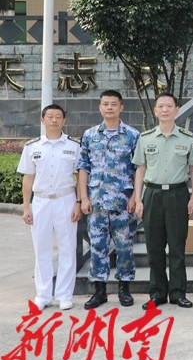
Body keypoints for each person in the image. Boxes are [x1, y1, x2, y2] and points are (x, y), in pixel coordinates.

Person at [133, 93, 193, 309]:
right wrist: (138, 198)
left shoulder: (188, 138)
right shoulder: (145, 138)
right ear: (155, 110)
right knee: (154, 247)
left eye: (169, 106)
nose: (165, 110)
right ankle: (157, 293)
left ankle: (178, 293)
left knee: (177, 246)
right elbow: (140, 169)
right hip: (152, 194)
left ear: (177, 109)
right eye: (160, 106)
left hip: (178, 195)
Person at [77, 90, 140, 310]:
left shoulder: (132, 135)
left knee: (125, 246)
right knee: (97, 246)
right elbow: (83, 168)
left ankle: (124, 289)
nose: (110, 107)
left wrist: (135, 196)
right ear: (100, 107)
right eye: (106, 104)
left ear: (121, 107)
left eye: (114, 104)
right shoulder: (90, 135)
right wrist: (83, 197)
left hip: (123, 202)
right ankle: (100, 291)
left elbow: (139, 169)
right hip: (96, 202)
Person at [17, 105, 82, 310]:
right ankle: (43, 295)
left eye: (58, 117)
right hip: (41, 201)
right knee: (42, 249)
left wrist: (79, 202)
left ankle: (64, 295)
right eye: (50, 116)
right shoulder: (32, 147)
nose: (54, 120)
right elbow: (28, 178)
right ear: (42, 120)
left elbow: (81, 176)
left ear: (64, 120)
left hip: (66, 199)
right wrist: (26, 207)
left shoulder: (74, 146)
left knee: (67, 249)